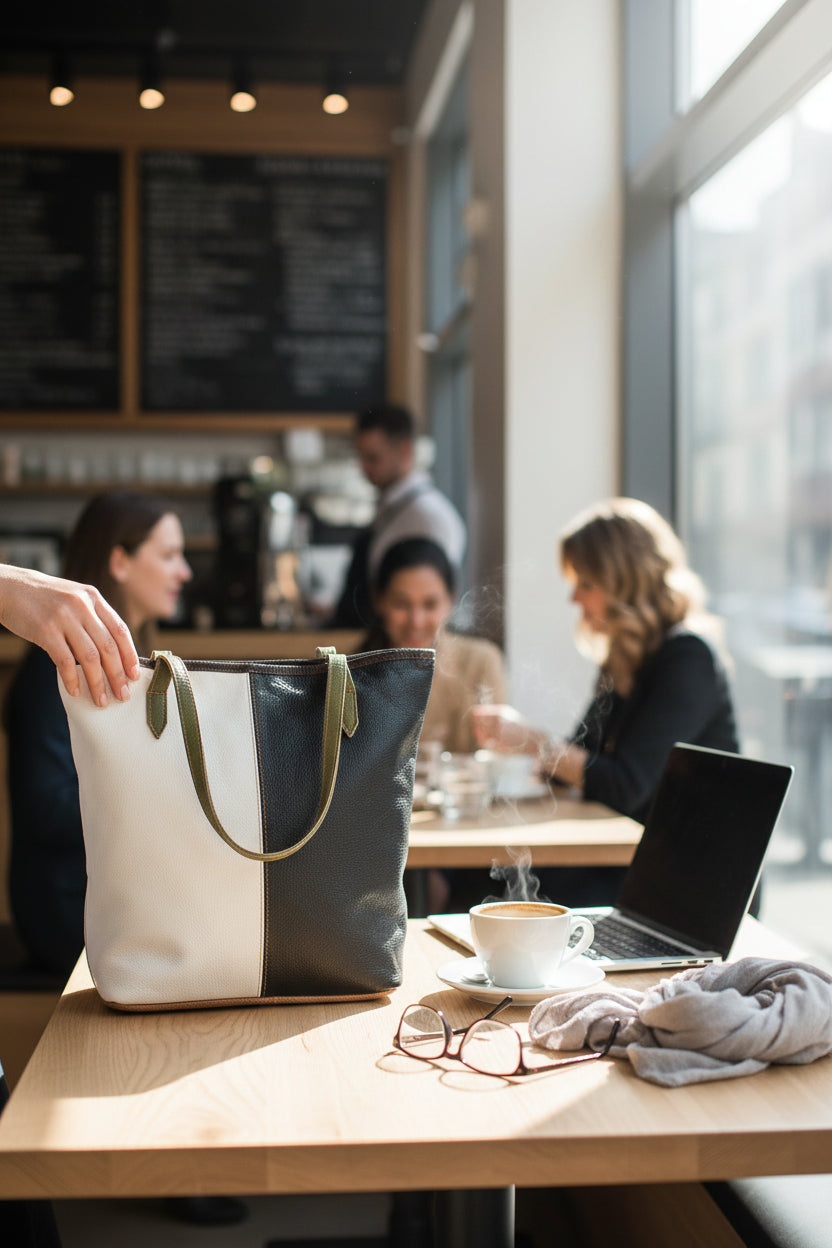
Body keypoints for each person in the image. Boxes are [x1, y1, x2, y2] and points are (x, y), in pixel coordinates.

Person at [472, 498, 740, 904]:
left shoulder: (688, 659)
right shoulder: (624, 659)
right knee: (487, 879)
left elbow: (624, 786)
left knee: (502, 888)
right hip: (635, 857)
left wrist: (531, 741)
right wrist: (529, 748)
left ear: (625, 583)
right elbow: (582, 760)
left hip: (690, 880)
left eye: (586, 584)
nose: (574, 599)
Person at [5, 492, 192, 977]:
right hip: (68, 903)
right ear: (119, 561)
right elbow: (46, 809)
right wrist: (160, 800)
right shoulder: (56, 669)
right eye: (169, 555)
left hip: (110, 888)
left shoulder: (134, 657)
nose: (185, 572)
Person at [359, 537, 507, 753]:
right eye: (401, 604)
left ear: (451, 599)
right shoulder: (354, 677)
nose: (416, 621)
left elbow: (496, 754)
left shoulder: (481, 661)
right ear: (378, 600)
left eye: (430, 605)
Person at [331, 404, 466, 627]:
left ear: (405, 451)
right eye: (361, 458)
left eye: (373, 458)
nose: (364, 468)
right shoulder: (392, 507)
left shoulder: (429, 516)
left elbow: (432, 598)